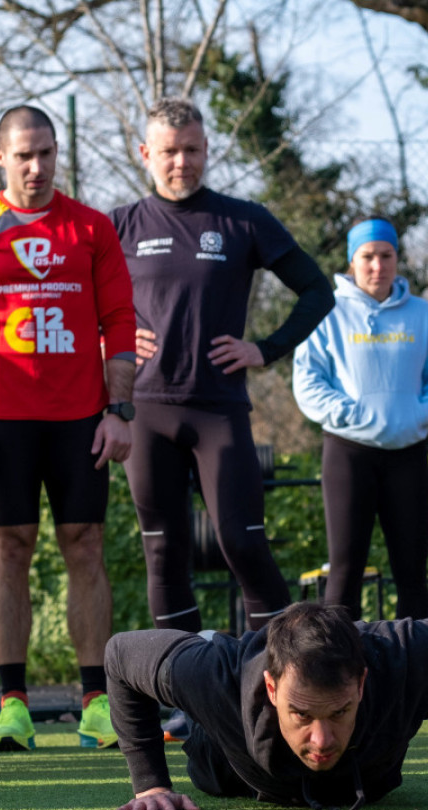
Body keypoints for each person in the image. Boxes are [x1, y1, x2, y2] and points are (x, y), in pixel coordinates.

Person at [0, 106, 136, 751]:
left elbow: (118, 322)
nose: (36, 166)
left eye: (47, 153)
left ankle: (96, 704)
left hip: (81, 419)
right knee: (11, 549)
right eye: (24, 155)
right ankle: (13, 706)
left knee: (85, 545)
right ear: (1, 157)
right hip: (4, 421)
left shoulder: (92, 227)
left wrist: (120, 410)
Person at [109, 98, 333, 640]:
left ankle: (279, 677)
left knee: (243, 541)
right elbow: (75, 303)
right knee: (164, 553)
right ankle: (185, 688)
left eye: (191, 150)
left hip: (220, 410)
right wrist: (102, 341)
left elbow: (317, 290)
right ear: (145, 154)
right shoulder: (118, 225)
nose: (181, 162)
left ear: (206, 149)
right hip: (146, 410)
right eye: (168, 152)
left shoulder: (243, 220)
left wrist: (265, 347)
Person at [105, 602, 428, 810]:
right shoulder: (215, 678)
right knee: (204, 737)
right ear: (272, 689)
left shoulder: (409, 657)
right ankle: (211, 638)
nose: (321, 740)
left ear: (360, 684)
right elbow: (119, 654)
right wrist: (151, 784)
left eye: (338, 712)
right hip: (230, 762)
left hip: (368, 761)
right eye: (302, 715)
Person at [293, 217, 428, 622]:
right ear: (352, 261)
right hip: (349, 453)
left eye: (386, 256)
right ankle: (336, 677)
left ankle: (417, 674)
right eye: (367, 256)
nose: (377, 266)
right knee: (345, 570)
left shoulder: (421, 314)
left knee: (412, 572)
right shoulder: (328, 313)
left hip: (407, 451)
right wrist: (351, 414)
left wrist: (420, 414)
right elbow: (308, 381)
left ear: (397, 259)